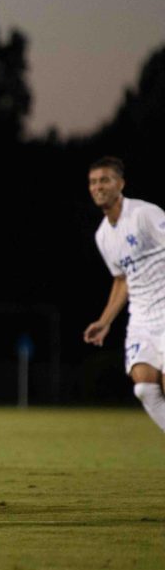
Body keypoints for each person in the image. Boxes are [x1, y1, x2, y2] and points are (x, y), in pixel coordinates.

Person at [85, 156, 165, 433]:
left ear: (120, 184)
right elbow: (121, 280)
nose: (98, 187)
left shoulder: (144, 214)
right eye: (93, 182)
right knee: (143, 387)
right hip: (141, 318)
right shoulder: (103, 235)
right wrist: (105, 321)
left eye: (105, 180)